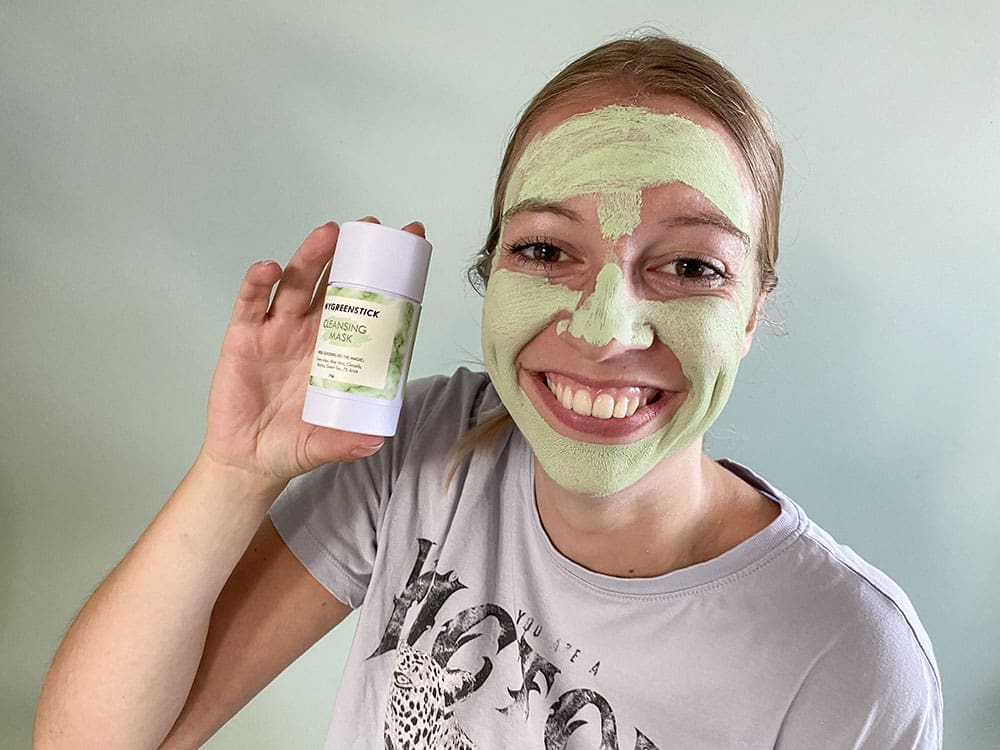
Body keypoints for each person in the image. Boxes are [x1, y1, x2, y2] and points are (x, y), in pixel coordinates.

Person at [34, 34, 942, 749]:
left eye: (691, 266)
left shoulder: (851, 658)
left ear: (750, 310)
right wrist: (235, 471)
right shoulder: (429, 446)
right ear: (491, 272)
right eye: (546, 249)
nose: (604, 328)